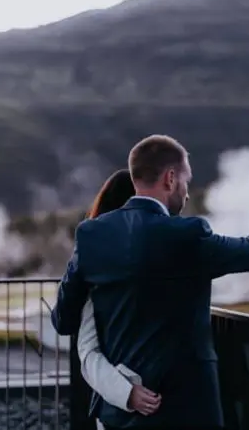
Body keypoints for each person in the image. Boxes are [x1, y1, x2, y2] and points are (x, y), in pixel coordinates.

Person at [52, 134, 249, 429]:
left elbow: (63, 320)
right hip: (184, 410)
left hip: (118, 415)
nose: (186, 193)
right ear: (170, 178)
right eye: (187, 180)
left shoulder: (91, 234)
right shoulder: (188, 234)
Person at [74, 169, 163, 429]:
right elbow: (88, 351)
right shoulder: (95, 272)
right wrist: (126, 393)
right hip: (121, 415)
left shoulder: (160, 257)